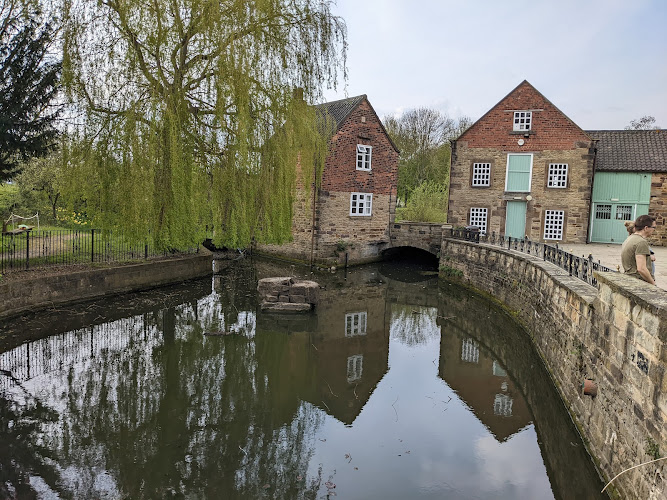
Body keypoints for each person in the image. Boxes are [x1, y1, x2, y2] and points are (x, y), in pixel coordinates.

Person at [621, 215, 657, 285]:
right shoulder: (641, 242)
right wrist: (653, 283)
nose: (654, 230)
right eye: (653, 227)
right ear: (646, 228)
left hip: (629, 279)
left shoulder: (630, 238)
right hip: (639, 282)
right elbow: (641, 269)